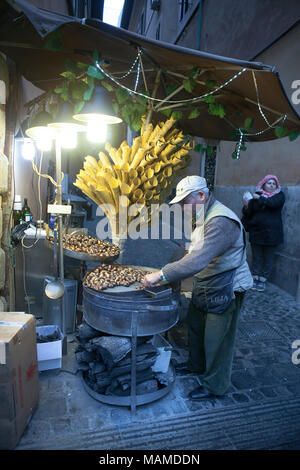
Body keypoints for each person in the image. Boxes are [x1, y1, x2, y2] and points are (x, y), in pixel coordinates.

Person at [142, 175, 253, 399]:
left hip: (226, 287)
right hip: (206, 284)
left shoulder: (221, 221)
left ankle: (215, 385)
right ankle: (196, 365)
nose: (182, 208)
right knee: (195, 326)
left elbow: (198, 260)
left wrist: (161, 274)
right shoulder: (203, 213)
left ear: (201, 195)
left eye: (185, 202)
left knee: (217, 339)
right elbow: (200, 249)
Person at [242, 174, 285, 292]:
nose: (271, 185)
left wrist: (257, 198)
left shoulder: (279, 196)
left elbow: (272, 204)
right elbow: (249, 212)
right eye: (269, 183)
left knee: (269, 257)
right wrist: (246, 206)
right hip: (257, 232)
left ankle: (262, 280)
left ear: (276, 186)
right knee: (257, 257)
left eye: (273, 183)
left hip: (272, 233)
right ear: (263, 184)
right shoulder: (257, 195)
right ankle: (254, 277)